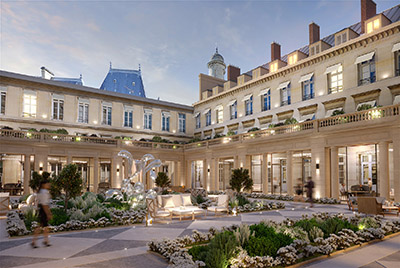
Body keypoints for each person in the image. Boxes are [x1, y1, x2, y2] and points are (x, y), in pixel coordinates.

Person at [32, 179, 52, 248]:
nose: (49, 185)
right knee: (42, 226)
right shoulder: (44, 192)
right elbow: (44, 204)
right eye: (47, 184)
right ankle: (37, 241)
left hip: (41, 210)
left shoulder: (40, 191)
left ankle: (45, 240)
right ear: (44, 185)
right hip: (43, 210)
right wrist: (48, 213)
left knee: (43, 226)